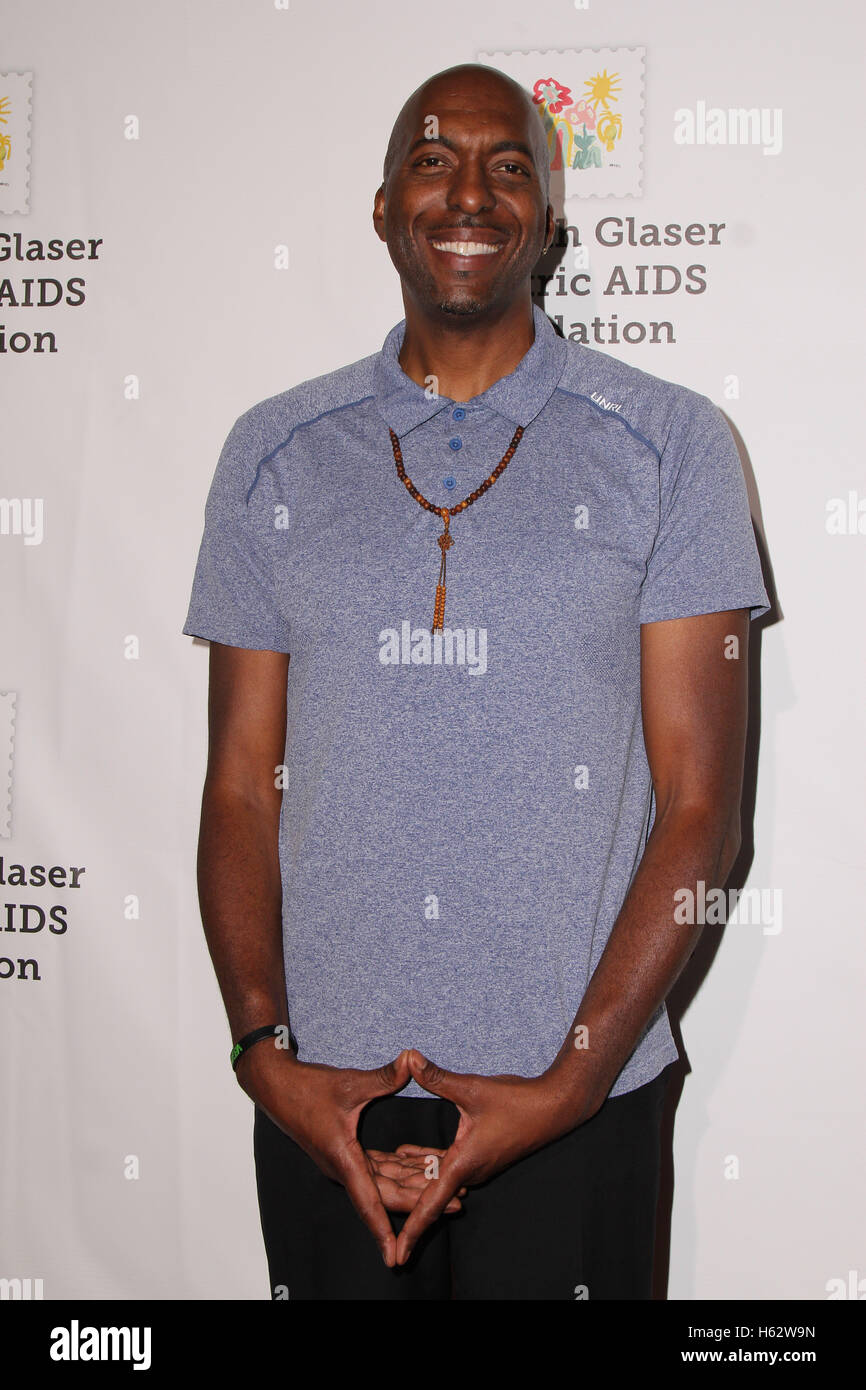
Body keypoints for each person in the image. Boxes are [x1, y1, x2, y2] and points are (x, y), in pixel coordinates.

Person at [182, 62, 770, 1301]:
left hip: (579, 1103)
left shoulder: (668, 444)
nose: (470, 191)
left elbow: (700, 814)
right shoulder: (271, 450)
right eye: (433, 159)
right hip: (327, 1110)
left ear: (549, 217)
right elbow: (239, 785)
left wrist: (565, 1084)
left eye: (511, 166)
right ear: (385, 205)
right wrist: (263, 1053)